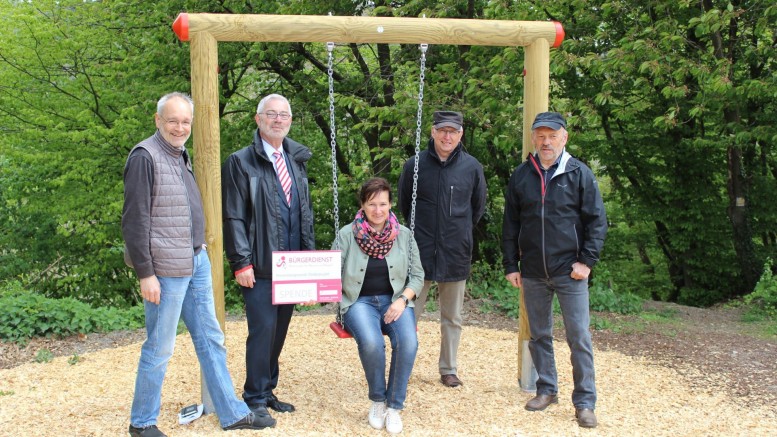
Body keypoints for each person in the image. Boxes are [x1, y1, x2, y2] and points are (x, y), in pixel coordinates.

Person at [122, 92, 273, 436]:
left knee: (211, 338)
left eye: (185, 121)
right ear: (157, 120)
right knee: (160, 347)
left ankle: (232, 412)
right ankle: (142, 422)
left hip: (194, 260)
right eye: (173, 120)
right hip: (164, 269)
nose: (180, 127)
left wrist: (198, 242)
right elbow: (135, 221)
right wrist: (146, 274)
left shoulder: (178, 154)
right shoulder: (145, 157)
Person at [501, 112, 607, 428]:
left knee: (578, 336)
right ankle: (547, 389)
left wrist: (586, 261)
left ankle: (585, 402)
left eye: (552, 135)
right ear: (534, 138)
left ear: (564, 138)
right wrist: (511, 264)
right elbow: (511, 224)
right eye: (541, 136)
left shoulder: (579, 174)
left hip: (569, 271)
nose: (546, 142)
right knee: (540, 334)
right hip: (533, 270)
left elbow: (597, 222)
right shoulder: (522, 176)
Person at [222, 94, 315, 423]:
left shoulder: (297, 159)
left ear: (290, 120)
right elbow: (233, 215)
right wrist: (240, 261)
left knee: (279, 331)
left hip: (292, 267)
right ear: (258, 119)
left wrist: (309, 266)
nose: (278, 120)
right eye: (271, 114)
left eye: (284, 115)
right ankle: (254, 397)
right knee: (262, 330)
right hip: (259, 265)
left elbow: (305, 213)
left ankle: (268, 388)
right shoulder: (240, 161)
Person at [397, 110, 486, 388]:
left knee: (452, 316)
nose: (447, 136)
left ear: (460, 135)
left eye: (453, 131)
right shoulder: (414, 165)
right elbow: (403, 206)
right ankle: (403, 366)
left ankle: (448, 368)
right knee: (409, 313)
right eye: (442, 130)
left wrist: (456, 233)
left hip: (455, 251)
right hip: (419, 253)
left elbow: (477, 208)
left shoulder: (472, 168)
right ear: (433, 132)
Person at [334, 177, 424, 434]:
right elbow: (330, 275)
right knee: (373, 343)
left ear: (390, 205)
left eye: (383, 204)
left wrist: (403, 300)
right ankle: (377, 400)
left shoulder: (404, 235)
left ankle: (394, 407)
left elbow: (417, 276)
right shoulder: (346, 235)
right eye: (372, 204)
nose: (378, 210)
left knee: (408, 342)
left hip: (395, 299)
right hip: (358, 301)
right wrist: (314, 293)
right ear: (362, 205)